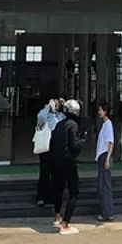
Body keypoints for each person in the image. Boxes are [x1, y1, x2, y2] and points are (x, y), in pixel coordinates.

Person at [50, 98, 86, 235]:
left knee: (59, 190)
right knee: (73, 193)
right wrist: (84, 138)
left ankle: (57, 216)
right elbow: (75, 144)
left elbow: (52, 142)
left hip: (57, 162)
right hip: (69, 163)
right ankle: (65, 223)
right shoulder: (73, 126)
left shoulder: (59, 125)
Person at [35, 96, 64, 206]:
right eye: (54, 104)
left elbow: (70, 119)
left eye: (57, 105)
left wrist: (64, 105)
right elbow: (40, 117)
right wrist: (48, 107)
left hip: (57, 148)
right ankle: (41, 196)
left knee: (56, 173)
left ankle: (53, 196)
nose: (55, 106)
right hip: (46, 148)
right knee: (44, 173)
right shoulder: (45, 115)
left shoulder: (60, 116)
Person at [95, 101, 115, 222]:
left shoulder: (108, 125)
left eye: (100, 110)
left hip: (104, 156)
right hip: (102, 156)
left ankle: (107, 212)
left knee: (104, 185)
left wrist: (107, 159)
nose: (99, 112)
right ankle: (106, 211)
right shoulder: (105, 124)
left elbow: (110, 143)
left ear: (105, 111)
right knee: (102, 185)